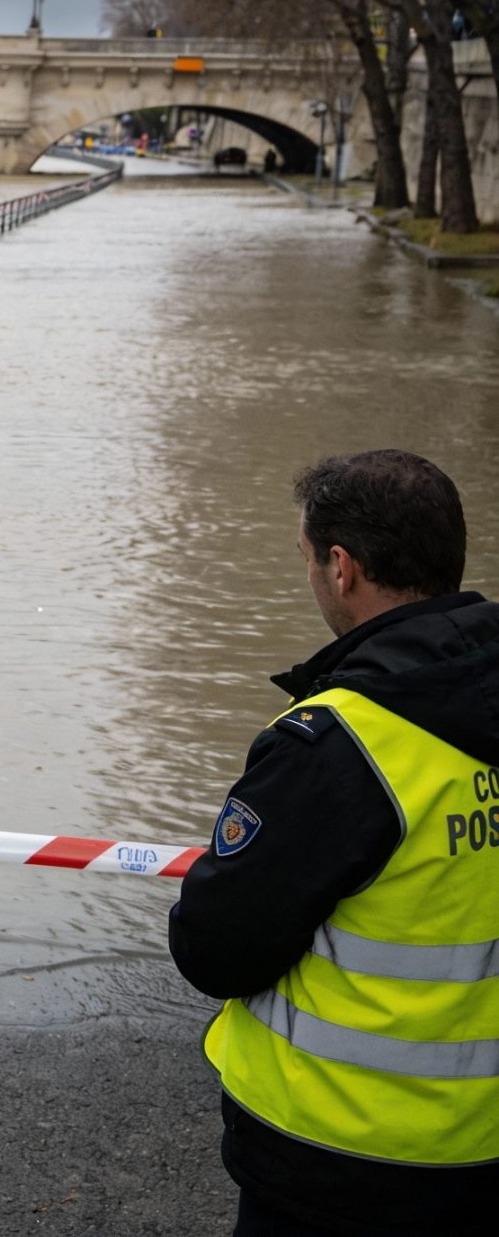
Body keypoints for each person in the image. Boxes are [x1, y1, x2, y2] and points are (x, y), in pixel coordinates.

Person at [169, 450, 499, 1237]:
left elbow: (214, 948)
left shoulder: (339, 748)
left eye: (307, 557)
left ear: (341, 568)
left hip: (337, 1158)